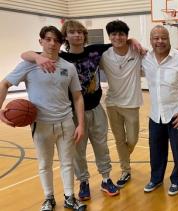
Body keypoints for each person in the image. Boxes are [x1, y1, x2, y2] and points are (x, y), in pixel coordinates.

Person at [21, 20, 119, 200]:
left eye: (80, 32)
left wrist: (133, 41)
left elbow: (119, 41)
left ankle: (106, 179)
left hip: (96, 108)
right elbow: (25, 54)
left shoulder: (94, 51)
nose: (77, 35)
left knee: (101, 146)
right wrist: (37, 57)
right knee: (77, 151)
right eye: (72, 32)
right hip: (73, 112)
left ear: (84, 35)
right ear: (65, 36)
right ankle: (83, 182)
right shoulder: (61, 57)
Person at [0, 26, 86, 211]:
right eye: (48, 39)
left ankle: (70, 197)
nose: (52, 43)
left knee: (68, 162)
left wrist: (81, 124)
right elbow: (5, 83)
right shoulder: (29, 64)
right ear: (41, 41)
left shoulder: (68, 67)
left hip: (66, 122)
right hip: (41, 124)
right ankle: (49, 198)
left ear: (61, 44)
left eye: (56, 40)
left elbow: (77, 96)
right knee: (44, 164)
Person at [142, 25, 178, 196]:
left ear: (169, 39)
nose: (159, 41)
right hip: (155, 115)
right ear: (151, 40)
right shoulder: (145, 58)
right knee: (156, 150)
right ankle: (156, 178)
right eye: (155, 38)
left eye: (163, 38)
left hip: (177, 115)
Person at [99, 20, 143, 189]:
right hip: (112, 103)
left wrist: (134, 40)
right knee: (119, 140)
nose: (118, 37)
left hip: (132, 104)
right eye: (114, 34)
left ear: (127, 36)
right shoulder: (104, 55)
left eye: (121, 34)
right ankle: (126, 169)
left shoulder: (136, 50)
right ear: (109, 36)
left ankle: (125, 157)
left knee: (132, 139)